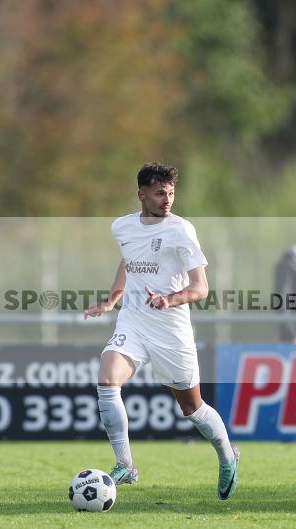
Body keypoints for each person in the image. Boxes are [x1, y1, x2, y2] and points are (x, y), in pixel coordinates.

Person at [84, 163, 240, 500]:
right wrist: (111, 300)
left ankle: (227, 455)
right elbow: (129, 260)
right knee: (107, 380)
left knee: (193, 409)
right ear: (141, 195)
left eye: (170, 193)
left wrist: (170, 299)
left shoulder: (181, 231)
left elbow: (201, 288)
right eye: (159, 193)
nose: (166, 199)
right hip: (134, 322)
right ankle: (125, 464)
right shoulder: (122, 227)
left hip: (171, 330)